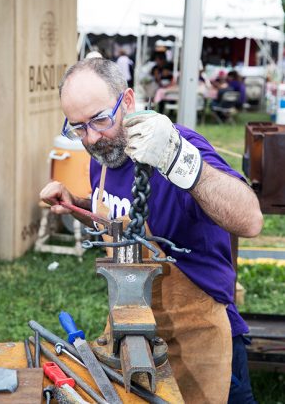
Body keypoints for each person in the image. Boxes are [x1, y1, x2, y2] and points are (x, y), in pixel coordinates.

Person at [40, 58, 263, 404]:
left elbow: (250, 220)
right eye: (78, 128)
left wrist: (180, 163)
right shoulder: (105, 154)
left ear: (127, 101)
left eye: (100, 119)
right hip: (133, 328)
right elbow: (117, 219)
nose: (93, 138)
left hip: (201, 338)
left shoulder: (179, 146)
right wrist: (77, 204)